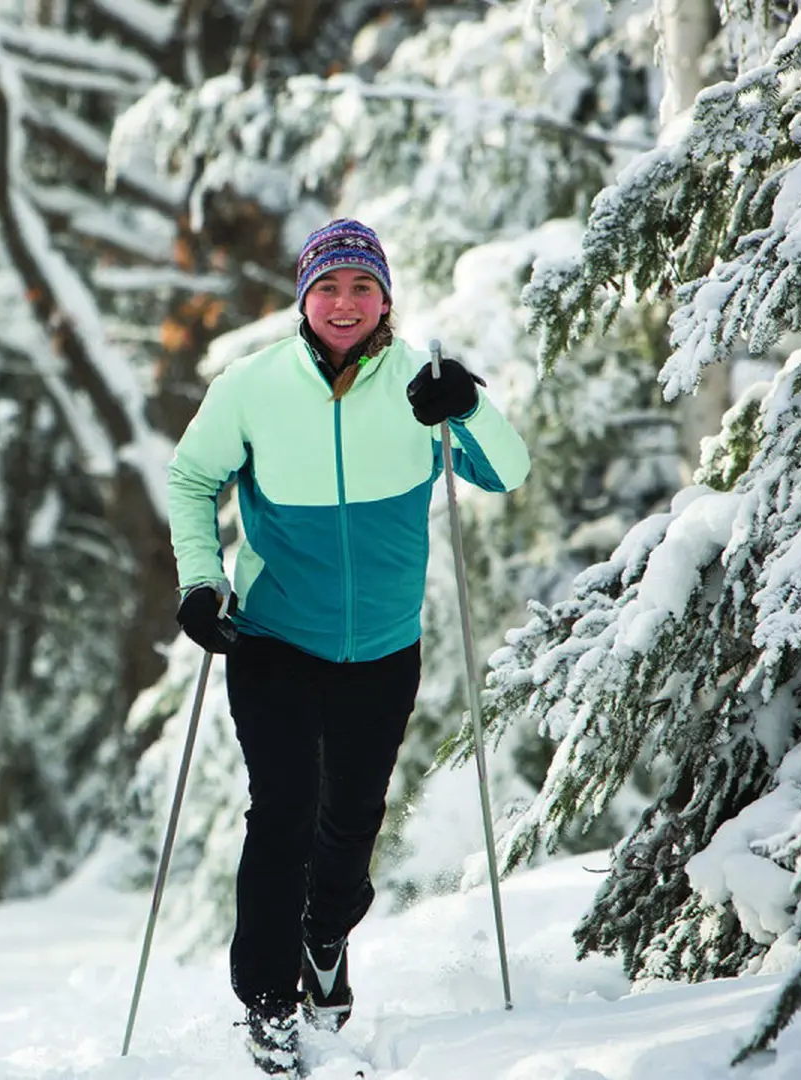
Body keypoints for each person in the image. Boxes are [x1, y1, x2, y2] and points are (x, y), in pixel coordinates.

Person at [165, 219, 529, 1074]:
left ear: (385, 300)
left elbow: (506, 473)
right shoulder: (253, 385)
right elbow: (191, 477)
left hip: (382, 647)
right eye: (327, 287)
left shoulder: (420, 384)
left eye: (361, 287)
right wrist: (197, 581)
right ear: (303, 298)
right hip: (275, 637)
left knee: (350, 821)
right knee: (283, 810)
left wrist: (469, 405)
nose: (343, 302)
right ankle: (267, 1005)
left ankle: (325, 937)